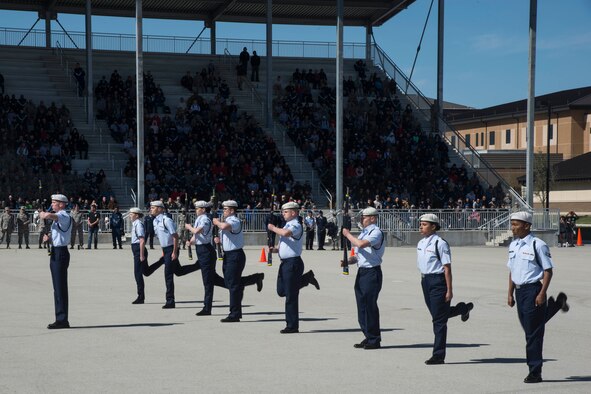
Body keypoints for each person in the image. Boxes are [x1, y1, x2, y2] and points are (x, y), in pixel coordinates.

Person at [507, 211, 569, 383]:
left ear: (526, 225)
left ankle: (535, 371)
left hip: (533, 290)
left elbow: (548, 271)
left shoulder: (538, 245)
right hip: (520, 292)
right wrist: (510, 293)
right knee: (530, 328)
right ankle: (556, 305)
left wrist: (542, 293)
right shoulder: (514, 245)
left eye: (515, 224)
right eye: (512, 224)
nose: (512, 227)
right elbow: (511, 270)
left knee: (533, 333)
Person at [416, 214, 474, 365]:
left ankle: (438, 355)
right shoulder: (421, 243)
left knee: (439, 320)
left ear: (433, 226)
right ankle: (463, 308)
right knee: (438, 314)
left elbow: (447, 268)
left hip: (438, 281)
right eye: (420, 224)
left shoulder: (440, 243)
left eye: (424, 224)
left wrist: (449, 290)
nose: (421, 226)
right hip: (425, 281)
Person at [267, 201, 320, 334]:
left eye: (285, 211)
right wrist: (274, 250)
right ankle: (307, 278)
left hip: (293, 263)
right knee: (281, 291)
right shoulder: (286, 225)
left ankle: (292, 325)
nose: (283, 214)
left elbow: (286, 234)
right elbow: (283, 244)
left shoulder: (296, 225)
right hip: (285, 263)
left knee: (291, 295)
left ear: (294, 212)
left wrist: (273, 228)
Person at [213, 200, 264, 322]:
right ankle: (255, 278)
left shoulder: (234, 220)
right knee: (230, 282)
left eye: (225, 209)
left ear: (232, 210)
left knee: (233, 285)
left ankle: (234, 314)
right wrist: (219, 240)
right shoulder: (227, 221)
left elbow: (225, 227)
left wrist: (216, 222)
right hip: (228, 255)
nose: (223, 211)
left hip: (235, 255)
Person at [341, 207, 385, 349]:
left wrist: (347, 234)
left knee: (370, 306)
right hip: (362, 271)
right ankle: (368, 335)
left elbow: (361, 244)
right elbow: (359, 255)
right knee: (362, 306)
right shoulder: (364, 232)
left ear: (373, 218)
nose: (362, 219)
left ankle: (374, 339)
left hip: (372, 272)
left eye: (364, 217)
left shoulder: (376, 232)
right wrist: (348, 261)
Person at [185, 201, 228, 316]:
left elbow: (197, 231)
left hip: (206, 251)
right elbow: (197, 236)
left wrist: (189, 227)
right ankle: (236, 286)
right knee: (213, 279)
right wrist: (191, 242)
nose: (196, 210)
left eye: (198, 208)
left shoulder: (204, 219)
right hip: (201, 249)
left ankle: (207, 308)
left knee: (208, 281)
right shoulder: (200, 218)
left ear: (203, 209)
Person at [40, 194, 73, 329]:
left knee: (60, 287)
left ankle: (62, 319)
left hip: (61, 253)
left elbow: (51, 216)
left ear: (61, 204)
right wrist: (49, 238)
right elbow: (59, 235)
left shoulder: (64, 215)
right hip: (55, 251)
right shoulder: (59, 217)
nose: (52, 204)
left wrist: (45, 214)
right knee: (57, 288)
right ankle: (59, 317)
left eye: (54, 202)